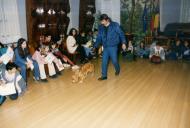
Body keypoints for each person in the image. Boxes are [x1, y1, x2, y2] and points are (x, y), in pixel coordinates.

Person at [93, 14, 127, 81]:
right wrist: (95, 46)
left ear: (107, 20)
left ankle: (117, 69)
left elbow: (121, 34)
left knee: (114, 61)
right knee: (104, 61)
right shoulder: (101, 27)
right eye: (101, 21)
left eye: (102, 21)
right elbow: (99, 37)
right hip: (105, 46)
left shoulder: (115, 25)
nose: (101, 22)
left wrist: (123, 43)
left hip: (113, 46)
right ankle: (104, 76)